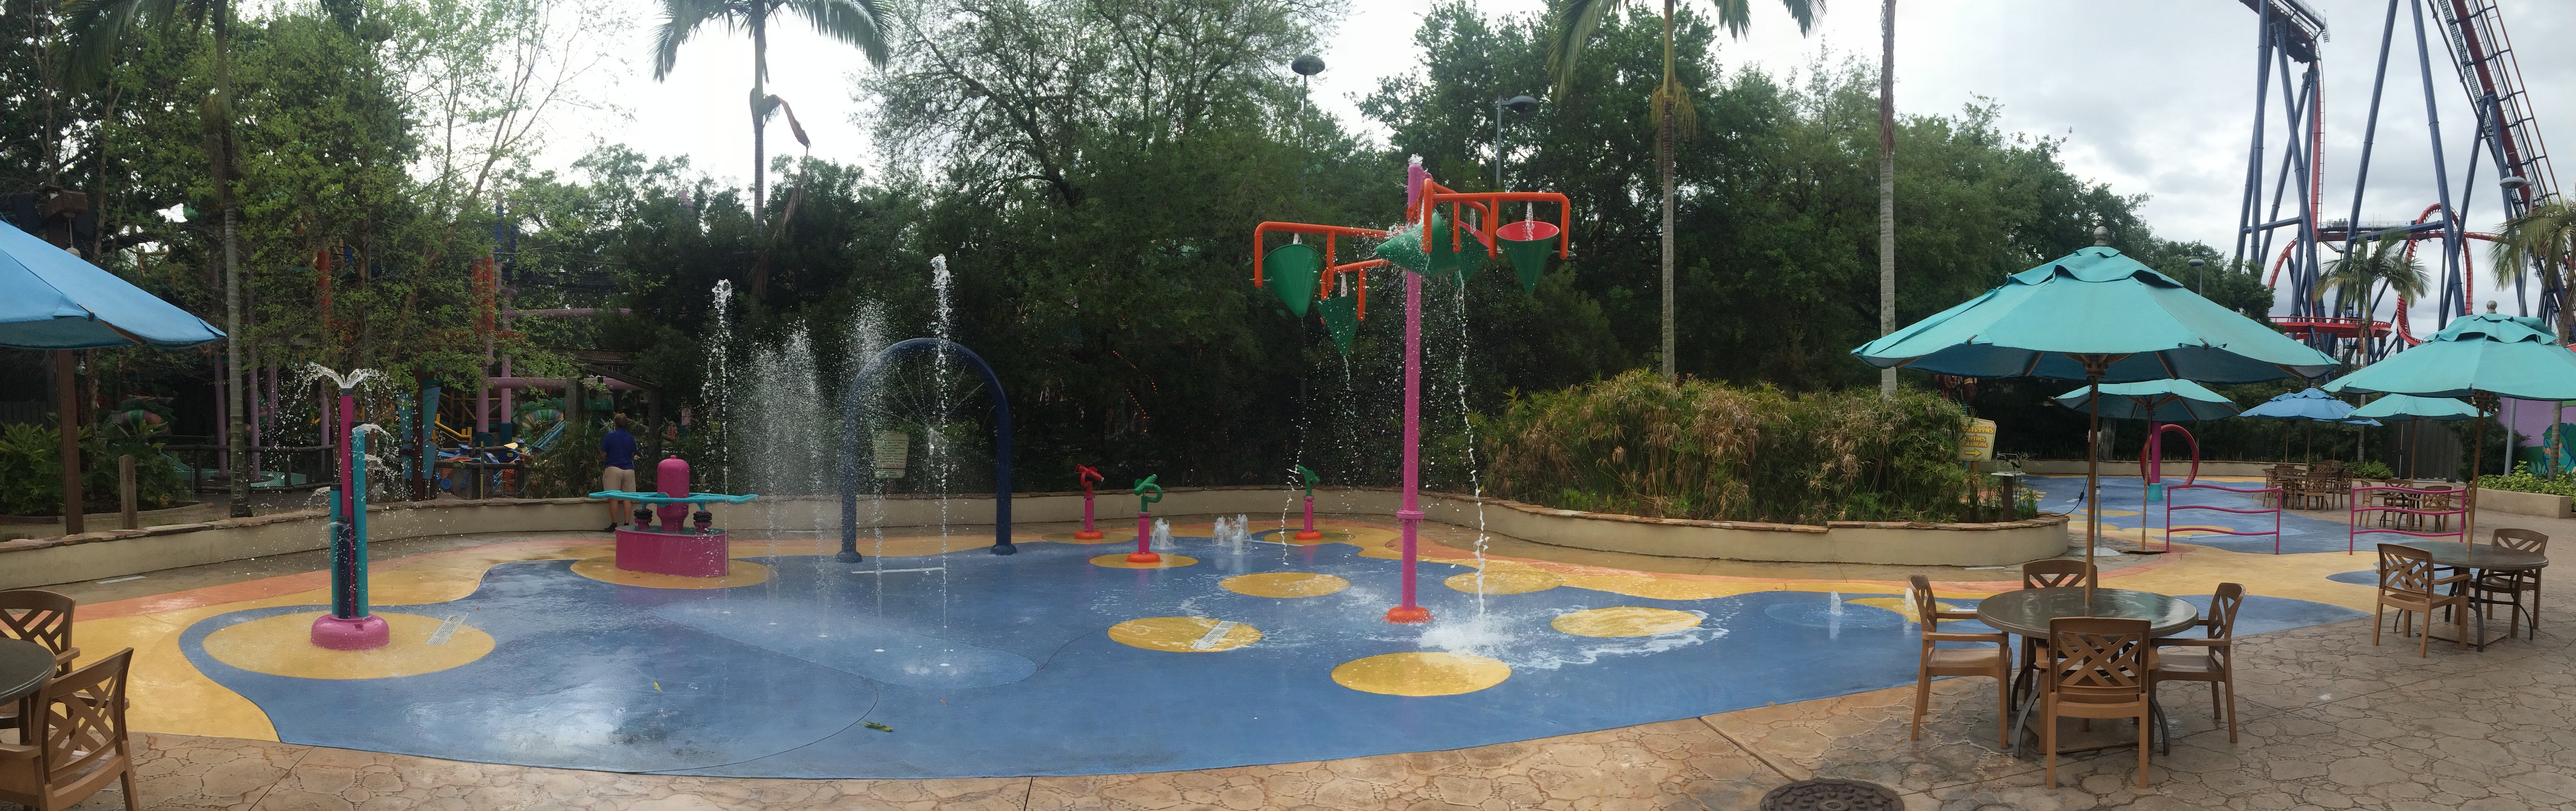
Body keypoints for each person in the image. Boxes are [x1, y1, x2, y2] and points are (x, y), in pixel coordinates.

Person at [601, 413, 638, 531]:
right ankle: (627, 524)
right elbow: (633, 453)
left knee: (614, 498)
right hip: (629, 469)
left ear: (615, 424)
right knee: (628, 498)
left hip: (613, 468)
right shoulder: (630, 438)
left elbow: (604, 453)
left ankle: (614, 525)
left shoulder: (610, 436)